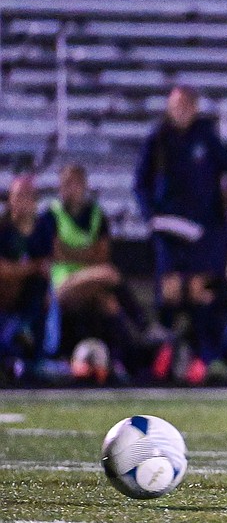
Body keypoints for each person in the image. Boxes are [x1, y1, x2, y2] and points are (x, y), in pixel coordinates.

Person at [134, 85, 227, 384]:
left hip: (203, 232)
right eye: (176, 104)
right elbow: (141, 183)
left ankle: (203, 358)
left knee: (201, 292)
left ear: (195, 107)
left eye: (187, 104)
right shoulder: (158, 138)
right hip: (169, 231)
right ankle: (166, 355)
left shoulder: (207, 138)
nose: (181, 110)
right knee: (170, 293)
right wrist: (150, 216)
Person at [35, 163, 154, 383]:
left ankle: (129, 363)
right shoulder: (51, 215)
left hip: (89, 284)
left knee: (108, 303)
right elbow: (56, 253)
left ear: (83, 185)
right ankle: (142, 324)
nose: (68, 188)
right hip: (62, 286)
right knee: (110, 274)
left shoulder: (96, 215)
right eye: (64, 184)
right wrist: (86, 255)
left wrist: (73, 253)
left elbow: (101, 253)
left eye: (73, 183)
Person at [0, 175, 50, 382]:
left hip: (28, 303)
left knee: (41, 288)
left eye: (27, 196)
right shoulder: (3, 230)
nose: (22, 201)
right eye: (18, 195)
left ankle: (32, 359)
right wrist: (30, 268)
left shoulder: (43, 230)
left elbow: (47, 268)